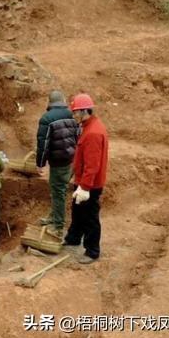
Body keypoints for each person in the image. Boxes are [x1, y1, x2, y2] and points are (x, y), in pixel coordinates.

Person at [63, 94, 108, 265]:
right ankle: (74, 237)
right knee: (77, 211)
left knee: (90, 217)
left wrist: (85, 188)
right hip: (83, 181)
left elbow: (92, 164)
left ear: (84, 111)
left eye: (75, 112)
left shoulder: (93, 133)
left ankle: (92, 251)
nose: (73, 116)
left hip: (90, 184)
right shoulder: (88, 127)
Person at [35, 90, 80, 238]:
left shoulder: (47, 119)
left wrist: (40, 163)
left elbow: (43, 143)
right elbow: (78, 136)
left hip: (59, 162)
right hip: (71, 160)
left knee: (58, 192)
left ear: (49, 102)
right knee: (57, 190)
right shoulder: (72, 115)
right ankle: (53, 217)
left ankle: (58, 226)